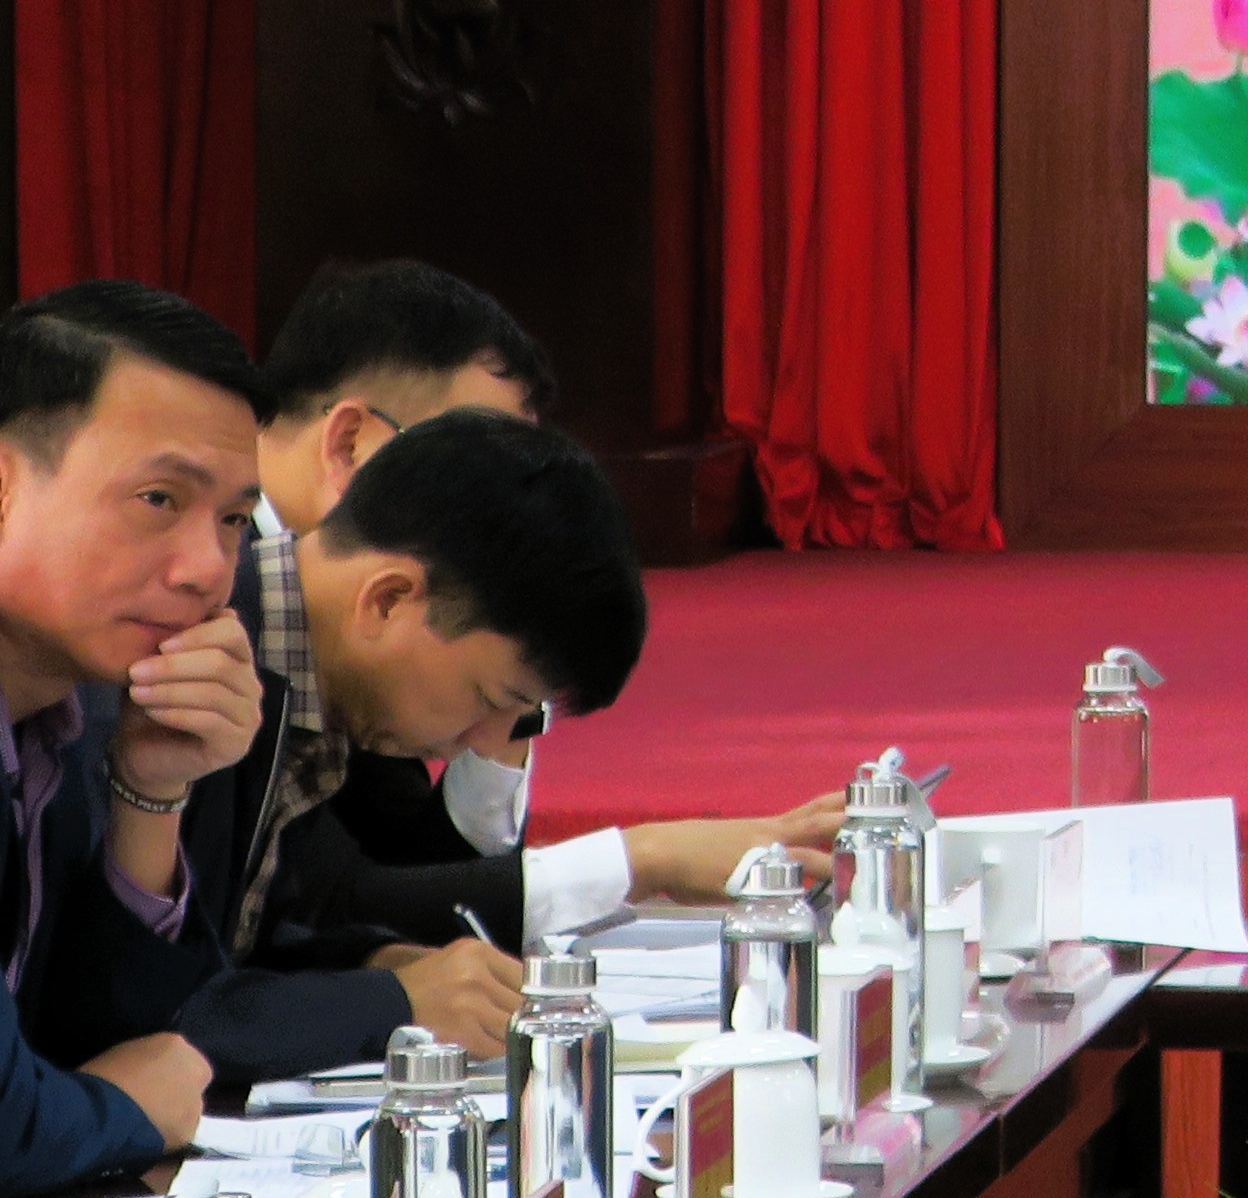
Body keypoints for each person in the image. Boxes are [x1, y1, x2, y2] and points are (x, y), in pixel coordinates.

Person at [254, 260, 834, 943]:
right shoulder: (219, 611)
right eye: (466, 456)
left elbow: (406, 880)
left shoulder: (364, 623)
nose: (502, 492)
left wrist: (515, 697)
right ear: (351, 445)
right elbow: (315, 910)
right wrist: (640, 861)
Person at [176, 408, 648, 1080]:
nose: (477, 743)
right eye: (490, 698)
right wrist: (392, 1000)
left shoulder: (305, 678)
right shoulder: (196, 669)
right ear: (389, 600)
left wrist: (376, 960)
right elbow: (143, 1011)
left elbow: (267, 933)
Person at [0, 284, 270, 1192]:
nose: (208, 571)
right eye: (159, 498)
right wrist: (127, 1113)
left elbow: (122, 1047)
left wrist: (151, 789)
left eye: (233, 520)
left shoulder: (70, 714)